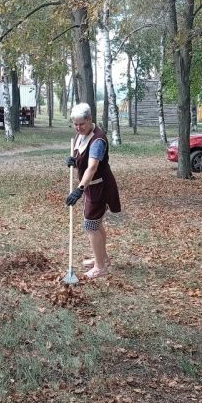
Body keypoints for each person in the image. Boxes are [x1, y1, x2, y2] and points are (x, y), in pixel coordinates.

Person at [65, 102, 121, 278]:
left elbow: (92, 167)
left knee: (90, 224)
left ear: (90, 119)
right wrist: (74, 160)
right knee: (96, 223)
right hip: (92, 186)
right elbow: (81, 156)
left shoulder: (97, 140)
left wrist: (79, 189)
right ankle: (102, 257)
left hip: (98, 186)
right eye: (75, 124)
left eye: (81, 123)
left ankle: (100, 267)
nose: (78, 127)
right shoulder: (82, 134)